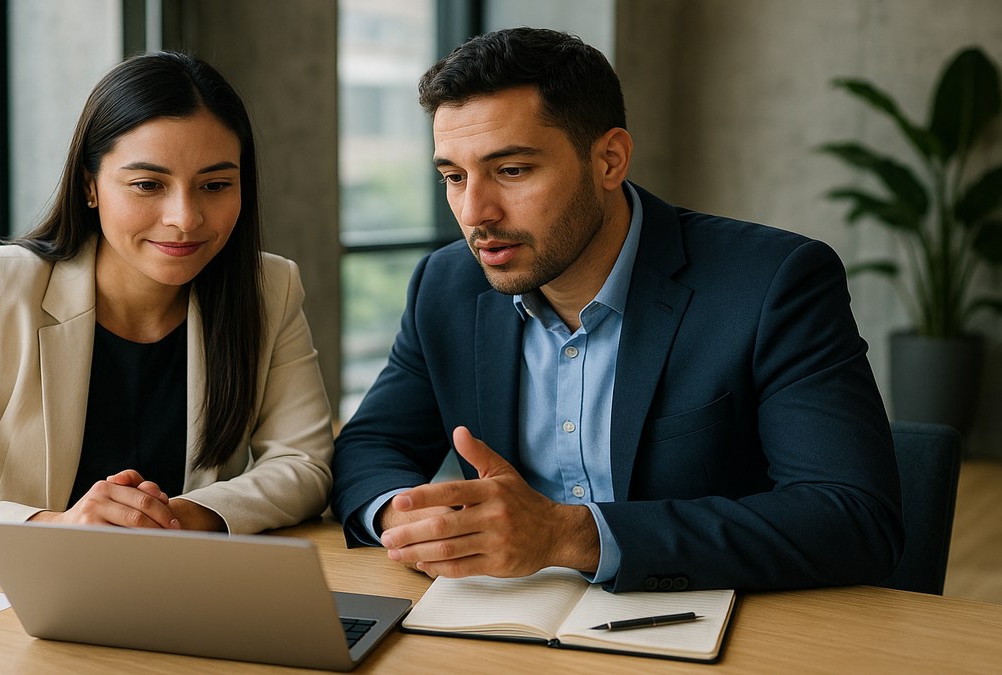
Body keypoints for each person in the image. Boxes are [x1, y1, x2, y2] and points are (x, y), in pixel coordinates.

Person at [331, 27, 904, 592]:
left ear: (609, 159)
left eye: (511, 171)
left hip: (712, 628)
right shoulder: (445, 284)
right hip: (502, 623)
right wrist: (403, 517)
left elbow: (851, 517)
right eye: (454, 177)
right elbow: (373, 445)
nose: (475, 211)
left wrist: (568, 535)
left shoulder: (774, 282)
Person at [0, 52, 334, 565]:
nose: (185, 218)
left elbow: (303, 464)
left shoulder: (269, 287)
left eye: (215, 185)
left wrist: (188, 517)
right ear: (89, 186)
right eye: (148, 185)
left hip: (185, 590)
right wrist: (54, 529)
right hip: (19, 599)